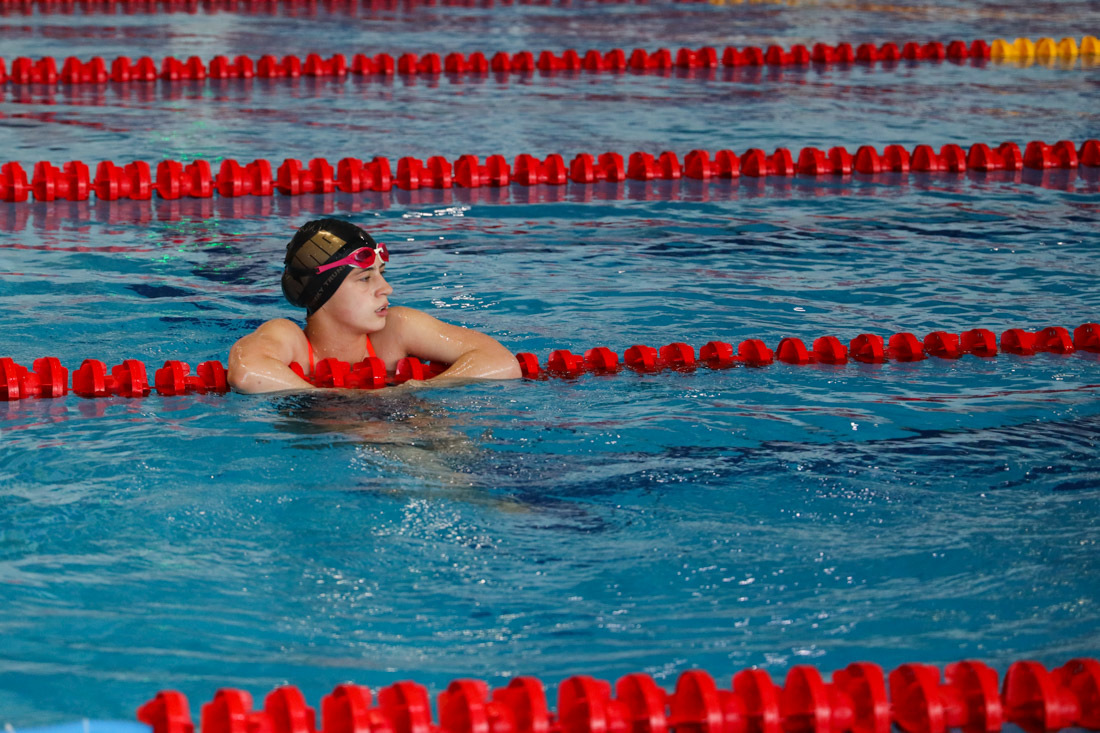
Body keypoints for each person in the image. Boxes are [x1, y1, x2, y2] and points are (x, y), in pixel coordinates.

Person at [228, 218, 521, 394]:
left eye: (382, 274)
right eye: (365, 278)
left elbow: (501, 362)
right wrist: (337, 399)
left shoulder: (396, 329)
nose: (386, 288)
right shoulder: (289, 339)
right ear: (324, 292)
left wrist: (417, 389)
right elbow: (247, 372)